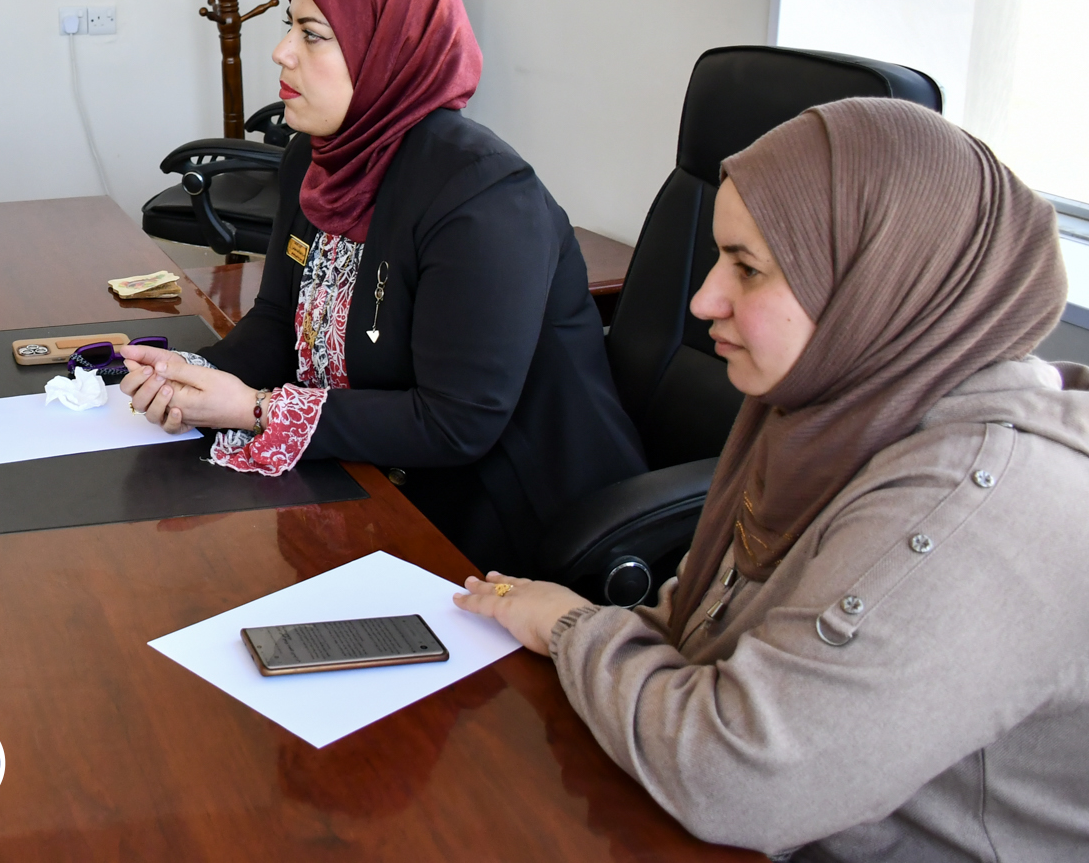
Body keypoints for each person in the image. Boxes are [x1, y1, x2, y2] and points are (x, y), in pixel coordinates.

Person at [454, 97, 1089, 859]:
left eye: (748, 268)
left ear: (877, 280)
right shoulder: (841, 408)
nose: (703, 299)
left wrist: (572, 627)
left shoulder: (984, 506)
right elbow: (707, 626)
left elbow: (738, 777)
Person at [120, 0, 645, 574]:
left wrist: (253, 409)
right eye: (290, 28)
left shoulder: (483, 195)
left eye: (313, 35)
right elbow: (280, 319)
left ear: (389, 50)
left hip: (509, 524)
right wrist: (192, 377)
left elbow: (456, 423)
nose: (282, 52)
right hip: (372, 481)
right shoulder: (315, 157)